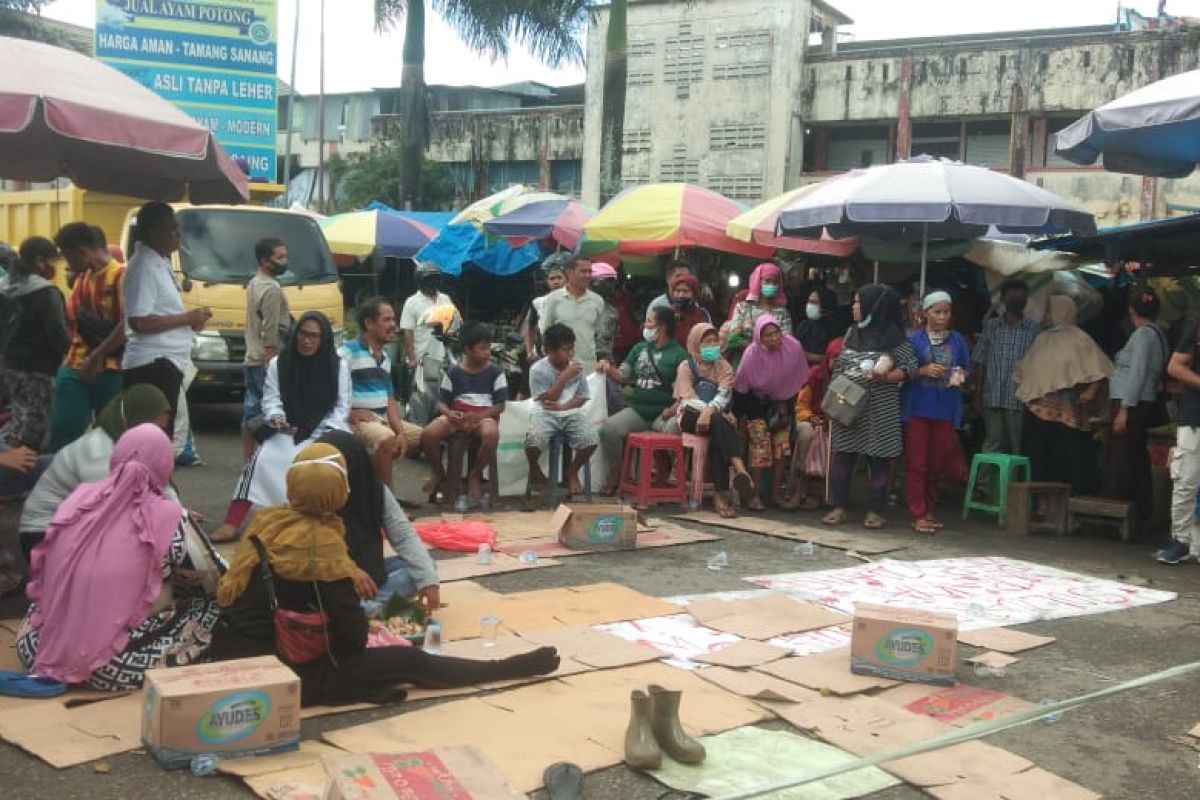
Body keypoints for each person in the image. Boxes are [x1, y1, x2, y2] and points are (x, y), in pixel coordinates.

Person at [207, 444, 560, 706]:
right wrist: (373, 629)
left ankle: (365, 686)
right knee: (408, 660)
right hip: (288, 672)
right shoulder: (322, 549)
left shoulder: (266, 523)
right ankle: (506, 667)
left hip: (237, 654)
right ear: (338, 490)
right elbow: (351, 640)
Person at [16, 424, 223, 690]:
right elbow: (215, 578)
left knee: (46, 600)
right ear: (165, 466)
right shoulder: (170, 518)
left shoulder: (77, 499)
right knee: (210, 607)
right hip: (108, 666)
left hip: (36, 648)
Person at [211, 312, 351, 541]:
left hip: (326, 430)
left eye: (314, 336)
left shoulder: (338, 366)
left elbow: (341, 406)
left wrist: (322, 434)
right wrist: (277, 418)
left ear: (323, 339)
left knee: (329, 461)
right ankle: (232, 522)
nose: (307, 341)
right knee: (262, 459)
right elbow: (271, 399)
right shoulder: (280, 363)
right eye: (303, 334)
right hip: (288, 429)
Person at [19, 384, 171, 560]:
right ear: (135, 419)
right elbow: (117, 510)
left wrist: (178, 512)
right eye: (153, 427)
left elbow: (159, 482)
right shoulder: (99, 452)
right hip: (41, 534)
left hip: (76, 527)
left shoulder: (130, 442)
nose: (159, 435)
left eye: (162, 429)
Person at [824, 285, 917, 529]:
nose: (854, 307)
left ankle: (875, 511)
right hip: (848, 404)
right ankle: (840, 507)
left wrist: (884, 377)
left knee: (879, 459)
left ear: (875, 308)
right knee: (843, 455)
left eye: (858, 302)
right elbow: (841, 363)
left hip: (880, 408)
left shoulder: (894, 337)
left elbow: (910, 367)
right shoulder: (851, 333)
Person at [318, 431, 439, 615]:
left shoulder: (373, 489)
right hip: (332, 577)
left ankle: (367, 606)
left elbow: (404, 537)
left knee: (425, 568)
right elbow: (312, 551)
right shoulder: (315, 492)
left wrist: (428, 581)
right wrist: (350, 570)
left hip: (372, 575)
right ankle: (365, 607)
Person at [122, 201, 211, 431]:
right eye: (172, 228)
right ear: (154, 232)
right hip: (153, 364)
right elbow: (139, 321)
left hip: (167, 362)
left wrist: (190, 322)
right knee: (152, 436)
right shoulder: (144, 266)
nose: (178, 234)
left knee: (161, 435)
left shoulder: (159, 261)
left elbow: (159, 313)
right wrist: (186, 318)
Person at [1013, 296, 1111, 497]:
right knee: (1040, 458)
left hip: (1068, 416)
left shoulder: (1080, 339)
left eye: (1049, 311)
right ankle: (1041, 503)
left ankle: (1070, 505)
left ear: (1061, 311)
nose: (1045, 315)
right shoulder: (1042, 339)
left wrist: (1090, 391)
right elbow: (1028, 370)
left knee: (1068, 458)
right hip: (1038, 413)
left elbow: (1100, 368)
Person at [49, 223, 127, 451]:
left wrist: (95, 357)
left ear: (82, 252)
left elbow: (129, 324)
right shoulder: (83, 278)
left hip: (112, 368)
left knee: (110, 435)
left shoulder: (122, 275)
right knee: (63, 428)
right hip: (74, 364)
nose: (68, 265)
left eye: (68, 257)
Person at [902, 291, 971, 534]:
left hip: (945, 408)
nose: (943, 317)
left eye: (947, 312)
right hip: (917, 408)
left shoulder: (958, 340)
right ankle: (917, 512)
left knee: (936, 463)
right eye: (937, 312)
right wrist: (923, 371)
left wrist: (958, 376)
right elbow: (903, 370)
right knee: (917, 463)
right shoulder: (914, 340)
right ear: (925, 313)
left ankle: (929, 508)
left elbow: (965, 368)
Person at [597, 307, 687, 494]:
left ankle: (670, 476)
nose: (645, 326)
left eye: (649, 322)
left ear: (661, 327)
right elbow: (622, 375)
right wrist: (607, 367)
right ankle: (616, 473)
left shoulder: (679, 354)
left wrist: (670, 411)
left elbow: (682, 392)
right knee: (609, 428)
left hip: (663, 414)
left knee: (673, 429)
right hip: (637, 411)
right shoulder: (639, 348)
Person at [420, 322, 508, 509]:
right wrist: (449, 413)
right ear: (467, 350)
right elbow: (441, 401)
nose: (487, 352)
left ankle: (475, 474)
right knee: (428, 434)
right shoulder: (454, 372)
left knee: (491, 434)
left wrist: (476, 417)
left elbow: (500, 406)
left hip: (483, 417)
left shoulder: (496, 372)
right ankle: (438, 471)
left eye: (488, 348)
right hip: (457, 417)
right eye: (482, 348)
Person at [1102, 287, 1167, 530]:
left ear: (1131, 310)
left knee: (1123, 459)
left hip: (1132, 402)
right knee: (1135, 456)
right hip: (1141, 401)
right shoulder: (1157, 334)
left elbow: (1137, 373)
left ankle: (1120, 513)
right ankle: (1138, 513)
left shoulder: (1143, 335)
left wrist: (1124, 409)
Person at [674, 322, 753, 517]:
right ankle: (738, 471)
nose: (712, 346)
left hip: (715, 418)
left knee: (718, 433)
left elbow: (724, 395)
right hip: (689, 416)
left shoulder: (724, 367)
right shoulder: (686, 367)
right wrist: (709, 411)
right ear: (695, 344)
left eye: (714, 341)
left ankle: (721, 493)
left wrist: (710, 412)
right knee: (720, 422)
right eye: (706, 342)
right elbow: (688, 398)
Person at [339, 298, 421, 483]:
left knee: (428, 437)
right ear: (369, 324)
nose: (394, 325)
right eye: (387, 320)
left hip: (382, 418)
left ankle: (438, 489)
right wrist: (347, 413)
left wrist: (401, 432)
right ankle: (383, 503)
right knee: (386, 439)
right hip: (360, 422)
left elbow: (390, 399)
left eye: (394, 319)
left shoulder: (385, 358)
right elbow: (329, 389)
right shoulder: (346, 353)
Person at [732, 316, 810, 510]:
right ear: (760, 337)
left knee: (781, 449)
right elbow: (741, 390)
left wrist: (785, 401)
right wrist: (739, 417)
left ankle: (775, 494)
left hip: (783, 406)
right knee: (761, 450)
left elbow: (798, 378)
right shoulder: (751, 355)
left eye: (777, 332)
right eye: (768, 335)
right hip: (756, 406)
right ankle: (755, 495)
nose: (775, 338)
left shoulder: (793, 347)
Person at [0, 237, 70, 449]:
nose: (54, 268)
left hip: (11, 367)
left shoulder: (5, 287)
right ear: (40, 262)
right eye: (53, 262)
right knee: (35, 428)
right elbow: (57, 333)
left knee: (20, 420)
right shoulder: (46, 293)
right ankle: (20, 473)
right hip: (40, 370)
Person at [525, 323, 598, 498]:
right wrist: (564, 377)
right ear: (549, 350)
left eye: (572, 348)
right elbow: (548, 400)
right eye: (565, 349)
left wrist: (564, 407)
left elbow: (582, 398)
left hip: (570, 412)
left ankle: (572, 471)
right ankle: (535, 469)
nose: (570, 353)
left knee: (591, 440)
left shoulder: (577, 367)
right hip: (545, 412)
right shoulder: (538, 370)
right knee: (533, 440)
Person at [972, 279, 1040, 458]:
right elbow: (979, 361)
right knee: (993, 444)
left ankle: (1013, 486)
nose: (1018, 301)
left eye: (1021, 298)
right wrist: (977, 395)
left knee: (1017, 447)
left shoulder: (1034, 329)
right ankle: (986, 485)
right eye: (1013, 297)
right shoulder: (991, 326)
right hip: (992, 396)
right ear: (1003, 300)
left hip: (1019, 399)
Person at [242, 237, 292, 462]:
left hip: (251, 357)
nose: (285, 261)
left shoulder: (255, 282)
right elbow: (270, 329)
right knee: (270, 413)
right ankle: (265, 462)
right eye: (279, 257)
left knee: (251, 413)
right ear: (265, 260)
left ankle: (248, 462)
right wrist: (271, 361)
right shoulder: (271, 289)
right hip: (266, 358)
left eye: (285, 256)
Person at [786, 338, 843, 510]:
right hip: (810, 418)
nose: (837, 365)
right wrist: (811, 417)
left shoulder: (848, 381)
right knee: (806, 434)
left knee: (835, 439)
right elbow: (801, 405)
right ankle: (801, 484)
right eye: (835, 360)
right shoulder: (816, 374)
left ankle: (822, 492)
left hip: (835, 423)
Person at [1163, 311, 1200, 565]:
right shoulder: (1197, 325)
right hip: (1194, 417)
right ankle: (1182, 540)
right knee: (1186, 480)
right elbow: (1175, 365)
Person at [400, 262, 455, 425]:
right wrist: (411, 358)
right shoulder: (412, 302)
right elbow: (407, 331)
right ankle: (419, 433)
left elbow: (453, 322)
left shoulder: (445, 299)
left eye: (435, 278)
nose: (433, 282)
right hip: (422, 358)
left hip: (443, 356)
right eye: (429, 279)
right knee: (420, 399)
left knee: (443, 397)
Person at [540, 256, 605, 373]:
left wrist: (603, 360)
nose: (588, 275)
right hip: (559, 367)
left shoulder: (597, 301)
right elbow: (545, 331)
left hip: (588, 366)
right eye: (583, 271)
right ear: (569, 273)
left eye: (590, 271)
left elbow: (601, 336)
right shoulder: (553, 299)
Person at [522, 254, 569, 364]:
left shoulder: (573, 300)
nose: (556, 282)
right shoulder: (538, 302)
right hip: (542, 354)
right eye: (552, 279)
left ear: (566, 280)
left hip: (567, 354)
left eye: (559, 278)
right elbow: (530, 327)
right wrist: (529, 351)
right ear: (547, 282)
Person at [795, 284, 841, 366]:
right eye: (809, 301)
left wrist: (809, 356)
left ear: (824, 305)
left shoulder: (834, 328)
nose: (809, 305)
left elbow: (833, 359)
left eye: (814, 302)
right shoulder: (804, 325)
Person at [668, 272, 710, 348]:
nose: (681, 295)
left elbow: (708, 339)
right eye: (678, 291)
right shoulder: (667, 313)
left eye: (685, 291)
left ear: (694, 294)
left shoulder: (702, 314)